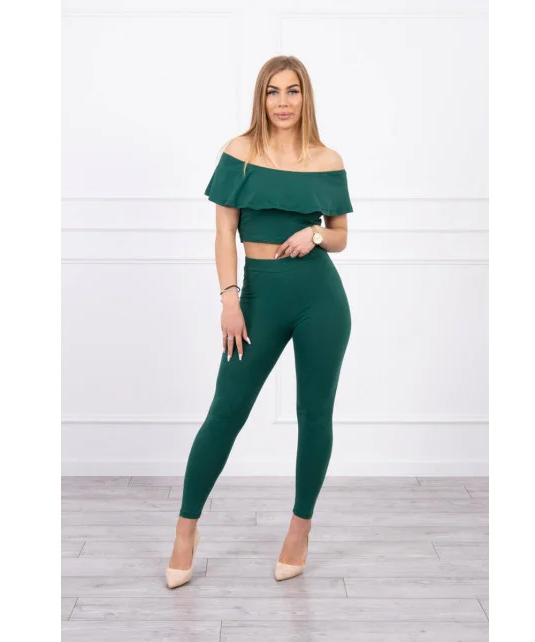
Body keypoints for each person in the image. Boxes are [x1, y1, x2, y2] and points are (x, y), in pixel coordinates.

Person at [166, 55, 352, 589]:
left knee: (314, 415)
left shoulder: (327, 159)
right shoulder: (240, 152)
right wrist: (230, 300)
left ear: (305, 96)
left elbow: (339, 235)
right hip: (257, 300)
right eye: (273, 91)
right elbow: (224, 234)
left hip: (321, 300)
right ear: (261, 97)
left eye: (293, 91)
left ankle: (300, 529)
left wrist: (314, 234)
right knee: (226, 412)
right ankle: (185, 530)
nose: (283, 102)